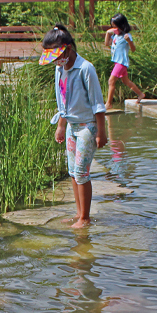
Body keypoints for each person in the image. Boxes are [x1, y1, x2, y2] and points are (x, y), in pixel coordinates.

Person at [40, 23, 107, 229]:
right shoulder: (59, 70)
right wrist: (61, 125)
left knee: (81, 172)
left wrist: (101, 133)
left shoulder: (86, 68)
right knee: (71, 171)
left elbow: (97, 103)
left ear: (69, 48)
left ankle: (85, 218)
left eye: (58, 56)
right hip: (71, 125)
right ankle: (78, 213)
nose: (56, 61)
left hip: (88, 126)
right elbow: (63, 102)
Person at [104, 13, 145, 109]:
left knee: (111, 81)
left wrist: (129, 41)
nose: (114, 28)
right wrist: (107, 33)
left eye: (115, 26)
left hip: (121, 62)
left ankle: (109, 103)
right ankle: (140, 94)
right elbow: (106, 44)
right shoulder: (115, 36)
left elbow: (133, 49)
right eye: (112, 26)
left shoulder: (126, 36)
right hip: (116, 61)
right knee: (126, 81)